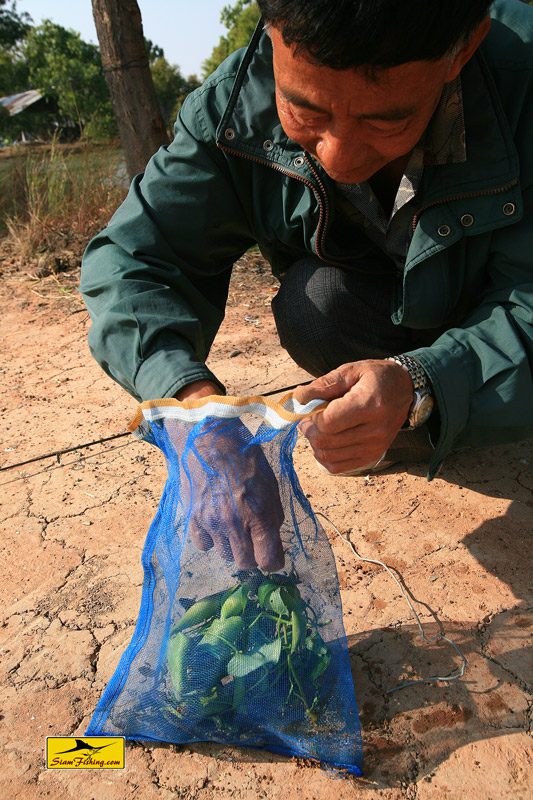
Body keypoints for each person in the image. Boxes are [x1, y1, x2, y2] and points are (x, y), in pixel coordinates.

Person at [80, 0, 533, 569]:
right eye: (304, 109)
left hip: (493, 321)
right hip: (380, 314)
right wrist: (198, 418)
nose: (338, 155)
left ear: (461, 49)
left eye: (387, 120)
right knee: (314, 306)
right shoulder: (233, 107)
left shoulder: (522, 83)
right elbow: (133, 260)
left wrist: (423, 384)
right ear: (271, 33)